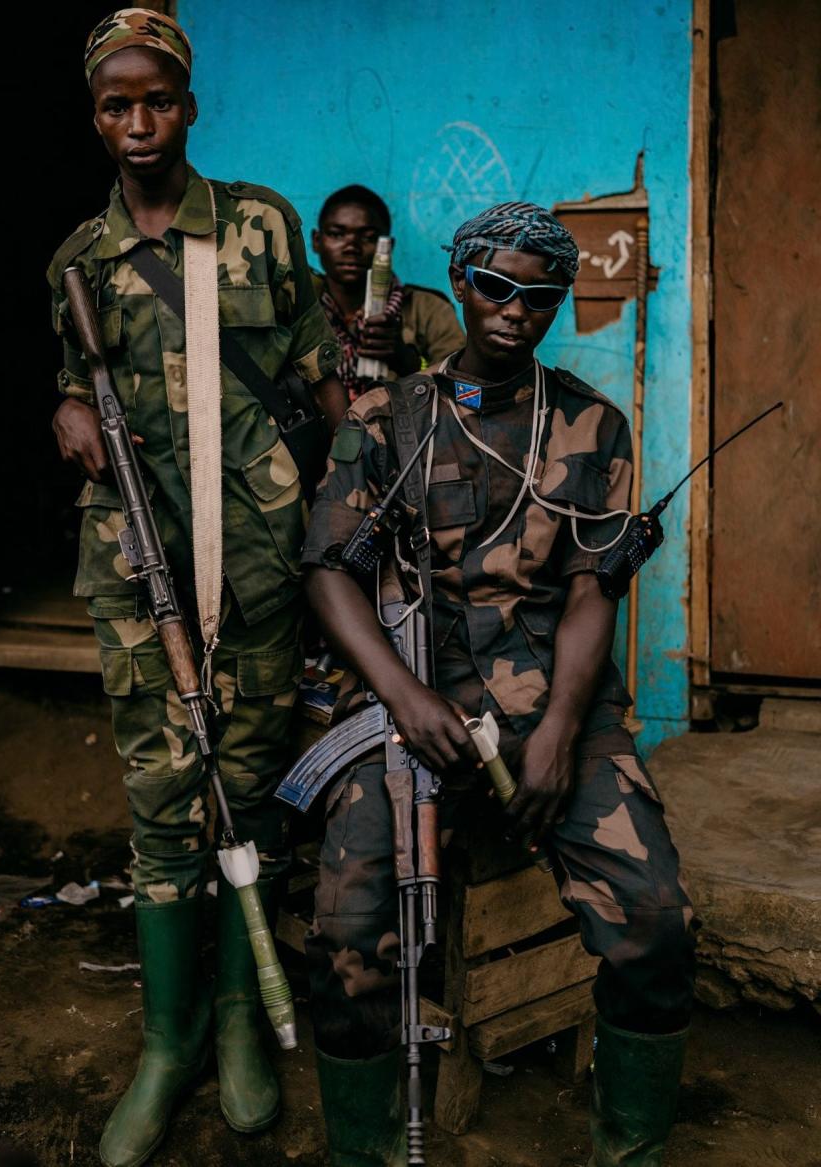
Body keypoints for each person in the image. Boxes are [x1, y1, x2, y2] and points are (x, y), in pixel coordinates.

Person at [300, 203, 696, 1165]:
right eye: (496, 286)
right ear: (464, 282)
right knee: (348, 938)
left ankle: (628, 1144)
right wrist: (402, 695)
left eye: (542, 294)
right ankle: (369, 1149)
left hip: (549, 705)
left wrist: (563, 725)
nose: (517, 309)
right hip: (412, 708)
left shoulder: (592, 425)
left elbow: (595, 588)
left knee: (656, 919)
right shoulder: (390, 418)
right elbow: (326, 572)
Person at [47, 10, 344, 1166]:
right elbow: (78, 388)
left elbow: (322, 385)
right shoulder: (77, 261)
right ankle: (166, 1040)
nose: (137, 123)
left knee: (252, 793)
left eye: (156, 99)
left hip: (261, 569)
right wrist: (62, 408)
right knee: (162, 804)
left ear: (191, 105)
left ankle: (238, 1025)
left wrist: (350, 523)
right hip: (137, 580)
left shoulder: (264, 227)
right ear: (97, 118)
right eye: (116, 105)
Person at [311, 185, 465, 400]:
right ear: (317, 241)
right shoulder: (299, 310)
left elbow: (464, 391)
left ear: (388, 246)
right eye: (337, 234)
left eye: (368, 237)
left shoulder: (428, 309)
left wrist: (409, 363)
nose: (351, 247)